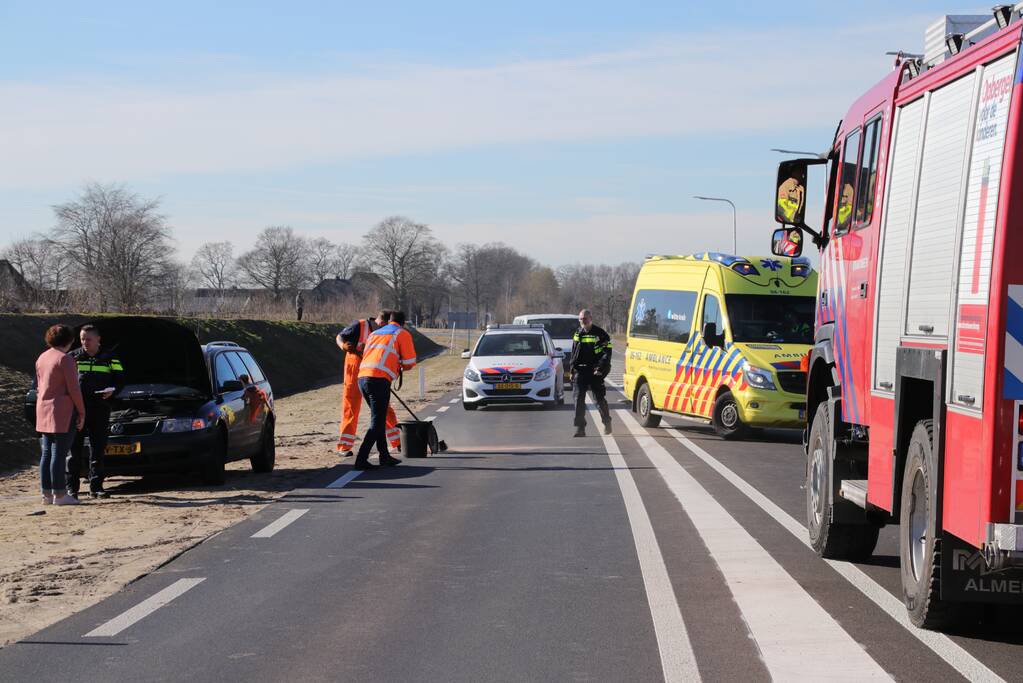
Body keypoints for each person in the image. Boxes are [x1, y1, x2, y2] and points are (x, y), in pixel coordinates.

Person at [352, 310, 417, 470]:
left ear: (389, 321)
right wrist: (399, 365)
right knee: (377, 422)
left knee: (379, 419)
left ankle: (384, 456)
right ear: (403, 323)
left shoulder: (375, 333)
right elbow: (409, 362)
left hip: (363, 378)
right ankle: (361, 459)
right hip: (379, 380)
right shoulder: (402, 334)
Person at [67, 324, 124, 499]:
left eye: (88, 339)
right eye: (82, 339)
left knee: (98, 449)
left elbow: (120, 380)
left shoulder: (110, 357)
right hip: (77, 410)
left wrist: (113, 390)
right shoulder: (73, 357)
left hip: (100, 408)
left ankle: (96, 487)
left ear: (98, 339)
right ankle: (72, 489)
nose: (85, 342)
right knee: (74, 450)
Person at [335, 310, 401, 456]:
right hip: (354, 371)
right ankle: (344, 446)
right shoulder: (359, 326)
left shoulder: (386, 333)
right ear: (382, 322)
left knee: (383, 408)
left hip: (372, 372)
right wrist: (343, 346)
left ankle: (398, 442)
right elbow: (339, 337)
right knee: (351, 407)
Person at [35, 324, 86, 506]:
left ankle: (47, 494)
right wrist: (82, 411)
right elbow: (74, 389)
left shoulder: (42, 357)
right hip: (62, 411)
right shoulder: (65, 359)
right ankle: (60, 494)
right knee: (59, 453)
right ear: (69, 340)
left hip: (43, 409)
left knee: (47, 453)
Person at [570, 309, 612, 437]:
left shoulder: (600, 334)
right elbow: (574, 353)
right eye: (581, 319)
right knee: (578, 400)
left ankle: (607, 422)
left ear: (591, 319)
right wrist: (572, 370)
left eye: (585, 319)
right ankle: (580, 428)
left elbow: (606, 354)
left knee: (599, 399)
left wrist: (600, 368)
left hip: (595, 371)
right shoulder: (578, 333)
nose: (583, 321)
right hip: (580, 370)